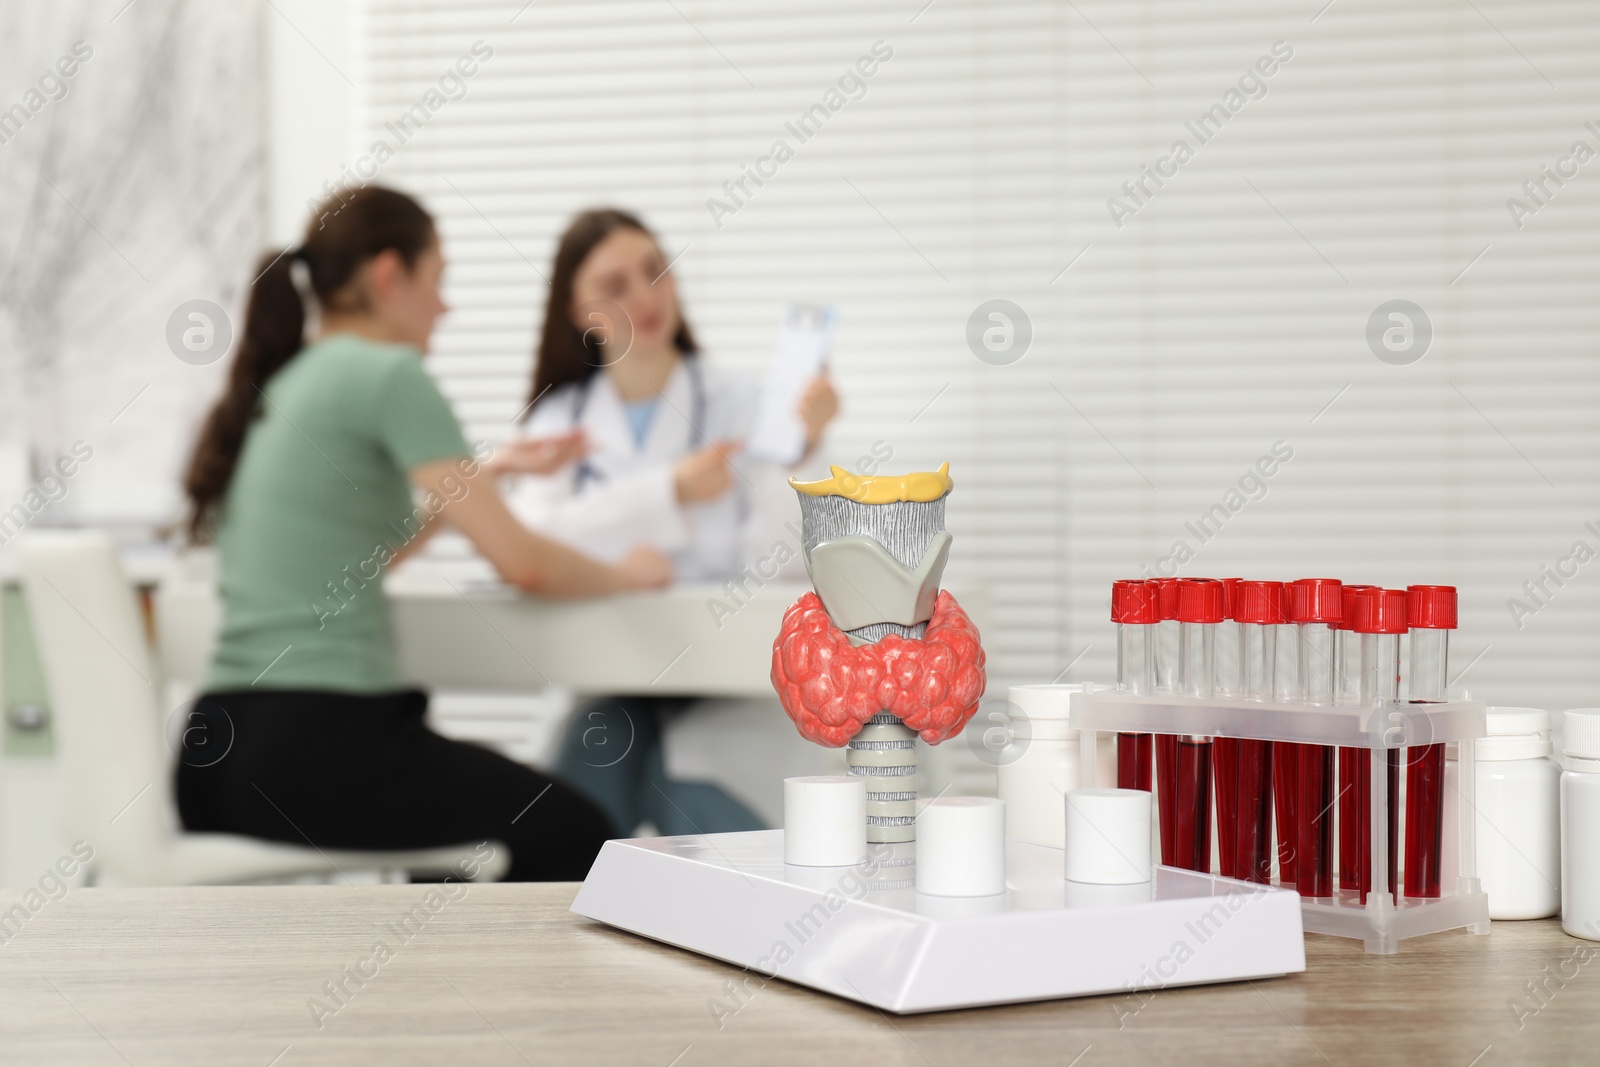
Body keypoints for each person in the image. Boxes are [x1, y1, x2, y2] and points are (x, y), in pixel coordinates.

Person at [175, 186, 671, 882]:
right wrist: (630, 574)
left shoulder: (288, 380)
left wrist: (489, 469)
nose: (446, 306)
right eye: (439, 281)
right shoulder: (388, 374)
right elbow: (521, 562)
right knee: (578, 832)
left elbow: (369, 549)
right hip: (316, 748)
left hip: (216, 760)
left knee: (460, 834)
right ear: (388, 276)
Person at [504, 208, 839, 836]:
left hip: (725, 686)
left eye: (656, 272)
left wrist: (801, 451)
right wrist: (669, 491)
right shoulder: (555, 422)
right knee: (580, 798)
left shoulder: (742, 406)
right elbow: (527, 548)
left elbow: (785, 565)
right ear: (578, 313)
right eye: (615, 285)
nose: (645, 296)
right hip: (610, 678)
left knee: (682, 792)